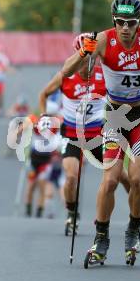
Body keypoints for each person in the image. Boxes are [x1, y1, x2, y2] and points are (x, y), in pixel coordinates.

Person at [60, 0, 140, 265]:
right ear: (114, 21)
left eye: (131, 23)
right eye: (120, 22)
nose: (126, 28)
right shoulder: (102, 39)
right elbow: (67, 71)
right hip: (115, 116)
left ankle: (134, 230)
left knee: (137, 179)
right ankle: (101, 236)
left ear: (139, 22)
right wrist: (83, 52)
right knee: (111, 180)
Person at [38, 39, 132, 234]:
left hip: (96, 133)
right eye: (84, 61)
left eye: (92, 61)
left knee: (120, 174)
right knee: (71, 177)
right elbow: (44, 94)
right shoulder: (65, 76)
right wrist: (43, 116)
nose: (88, 67)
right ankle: (72, 214)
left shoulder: (104, 76)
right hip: (72, 134)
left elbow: (124, 96)